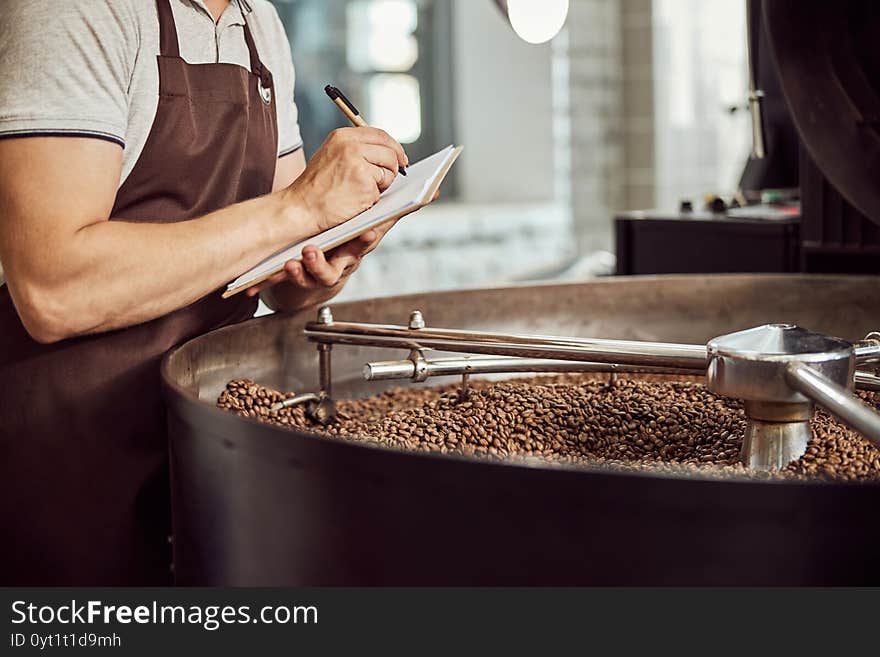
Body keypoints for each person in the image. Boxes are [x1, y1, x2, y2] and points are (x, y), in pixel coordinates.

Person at [0, 0, 412, 585]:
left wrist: (333, 255)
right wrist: (299, 208)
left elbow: (283, 277)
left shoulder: (258, 22)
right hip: (66, 459)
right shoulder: (72, 10)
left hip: (206, 440)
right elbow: (53, 289)